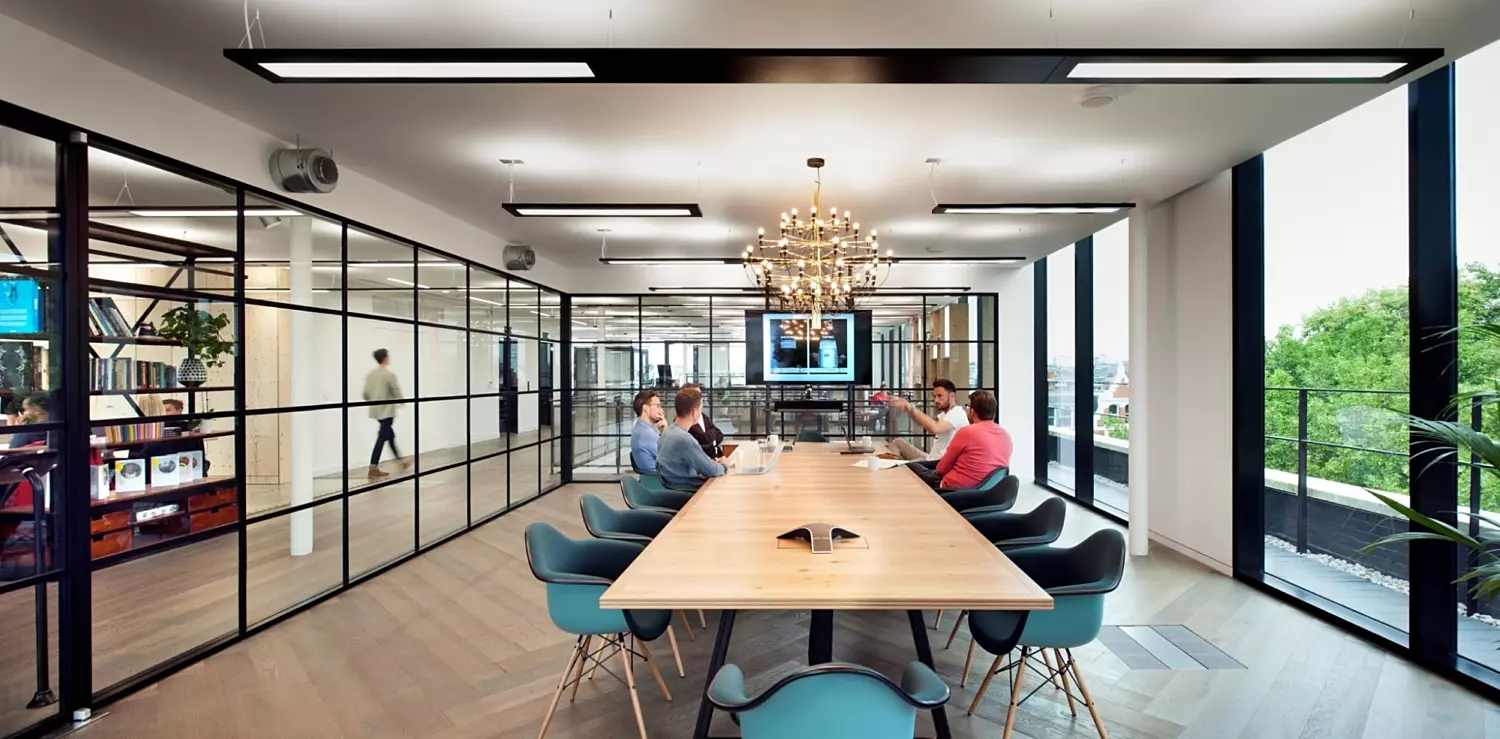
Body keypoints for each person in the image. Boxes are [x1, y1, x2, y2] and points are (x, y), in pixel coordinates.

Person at [910, 390, 1012, 490]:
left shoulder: (967, 432)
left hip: (954, 490)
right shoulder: (1005, 436)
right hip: (987, 492)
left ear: (972, 411)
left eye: (968, 407)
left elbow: (941, 468)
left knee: (911, 468)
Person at [656, 387, 729, 492]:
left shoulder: (667, 432)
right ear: (694, 412)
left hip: (675, 488)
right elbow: (714, 471)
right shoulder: (684, 439)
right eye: (701, 408)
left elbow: (702, 464)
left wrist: (711, 464)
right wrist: (724, 464)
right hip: (689, 493)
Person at [888, 379, 969, 461]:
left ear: (952, 396)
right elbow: (926, 425)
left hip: (937, 463)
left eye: (940, 396)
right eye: (935, 396)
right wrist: (908, 409)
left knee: (904, 466)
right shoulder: (944, 415)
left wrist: (909, 407)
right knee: (897, 442)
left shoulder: (957, 413)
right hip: (930, 458)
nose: (936, 400)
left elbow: (935, 428)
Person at [363, 348, 408, 480]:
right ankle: (373, 467)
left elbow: (365, 394)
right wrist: (401, 400)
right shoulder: (388, 375)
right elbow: (395, 390)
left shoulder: (370, 375)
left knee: (389, 435)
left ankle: (401, 462)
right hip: (387, 410)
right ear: (385, 358)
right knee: (383, 437)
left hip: (376, 410)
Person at [680, 382, 724, 457]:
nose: (701, 399)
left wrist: (710, 439)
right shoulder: (686, 421)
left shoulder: (703, 416)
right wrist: (711, 436)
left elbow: (719, 434)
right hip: (706, 462)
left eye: (700, 395)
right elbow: (703, 443)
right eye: (697, 395)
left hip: (717, 459)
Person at [629, 389, 665, 473]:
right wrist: (666, 432)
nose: (662, 411)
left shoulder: (641, 429)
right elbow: (672, 457)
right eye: (658, 406)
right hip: (661, 482)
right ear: (645, 408)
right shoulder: (646, 433)